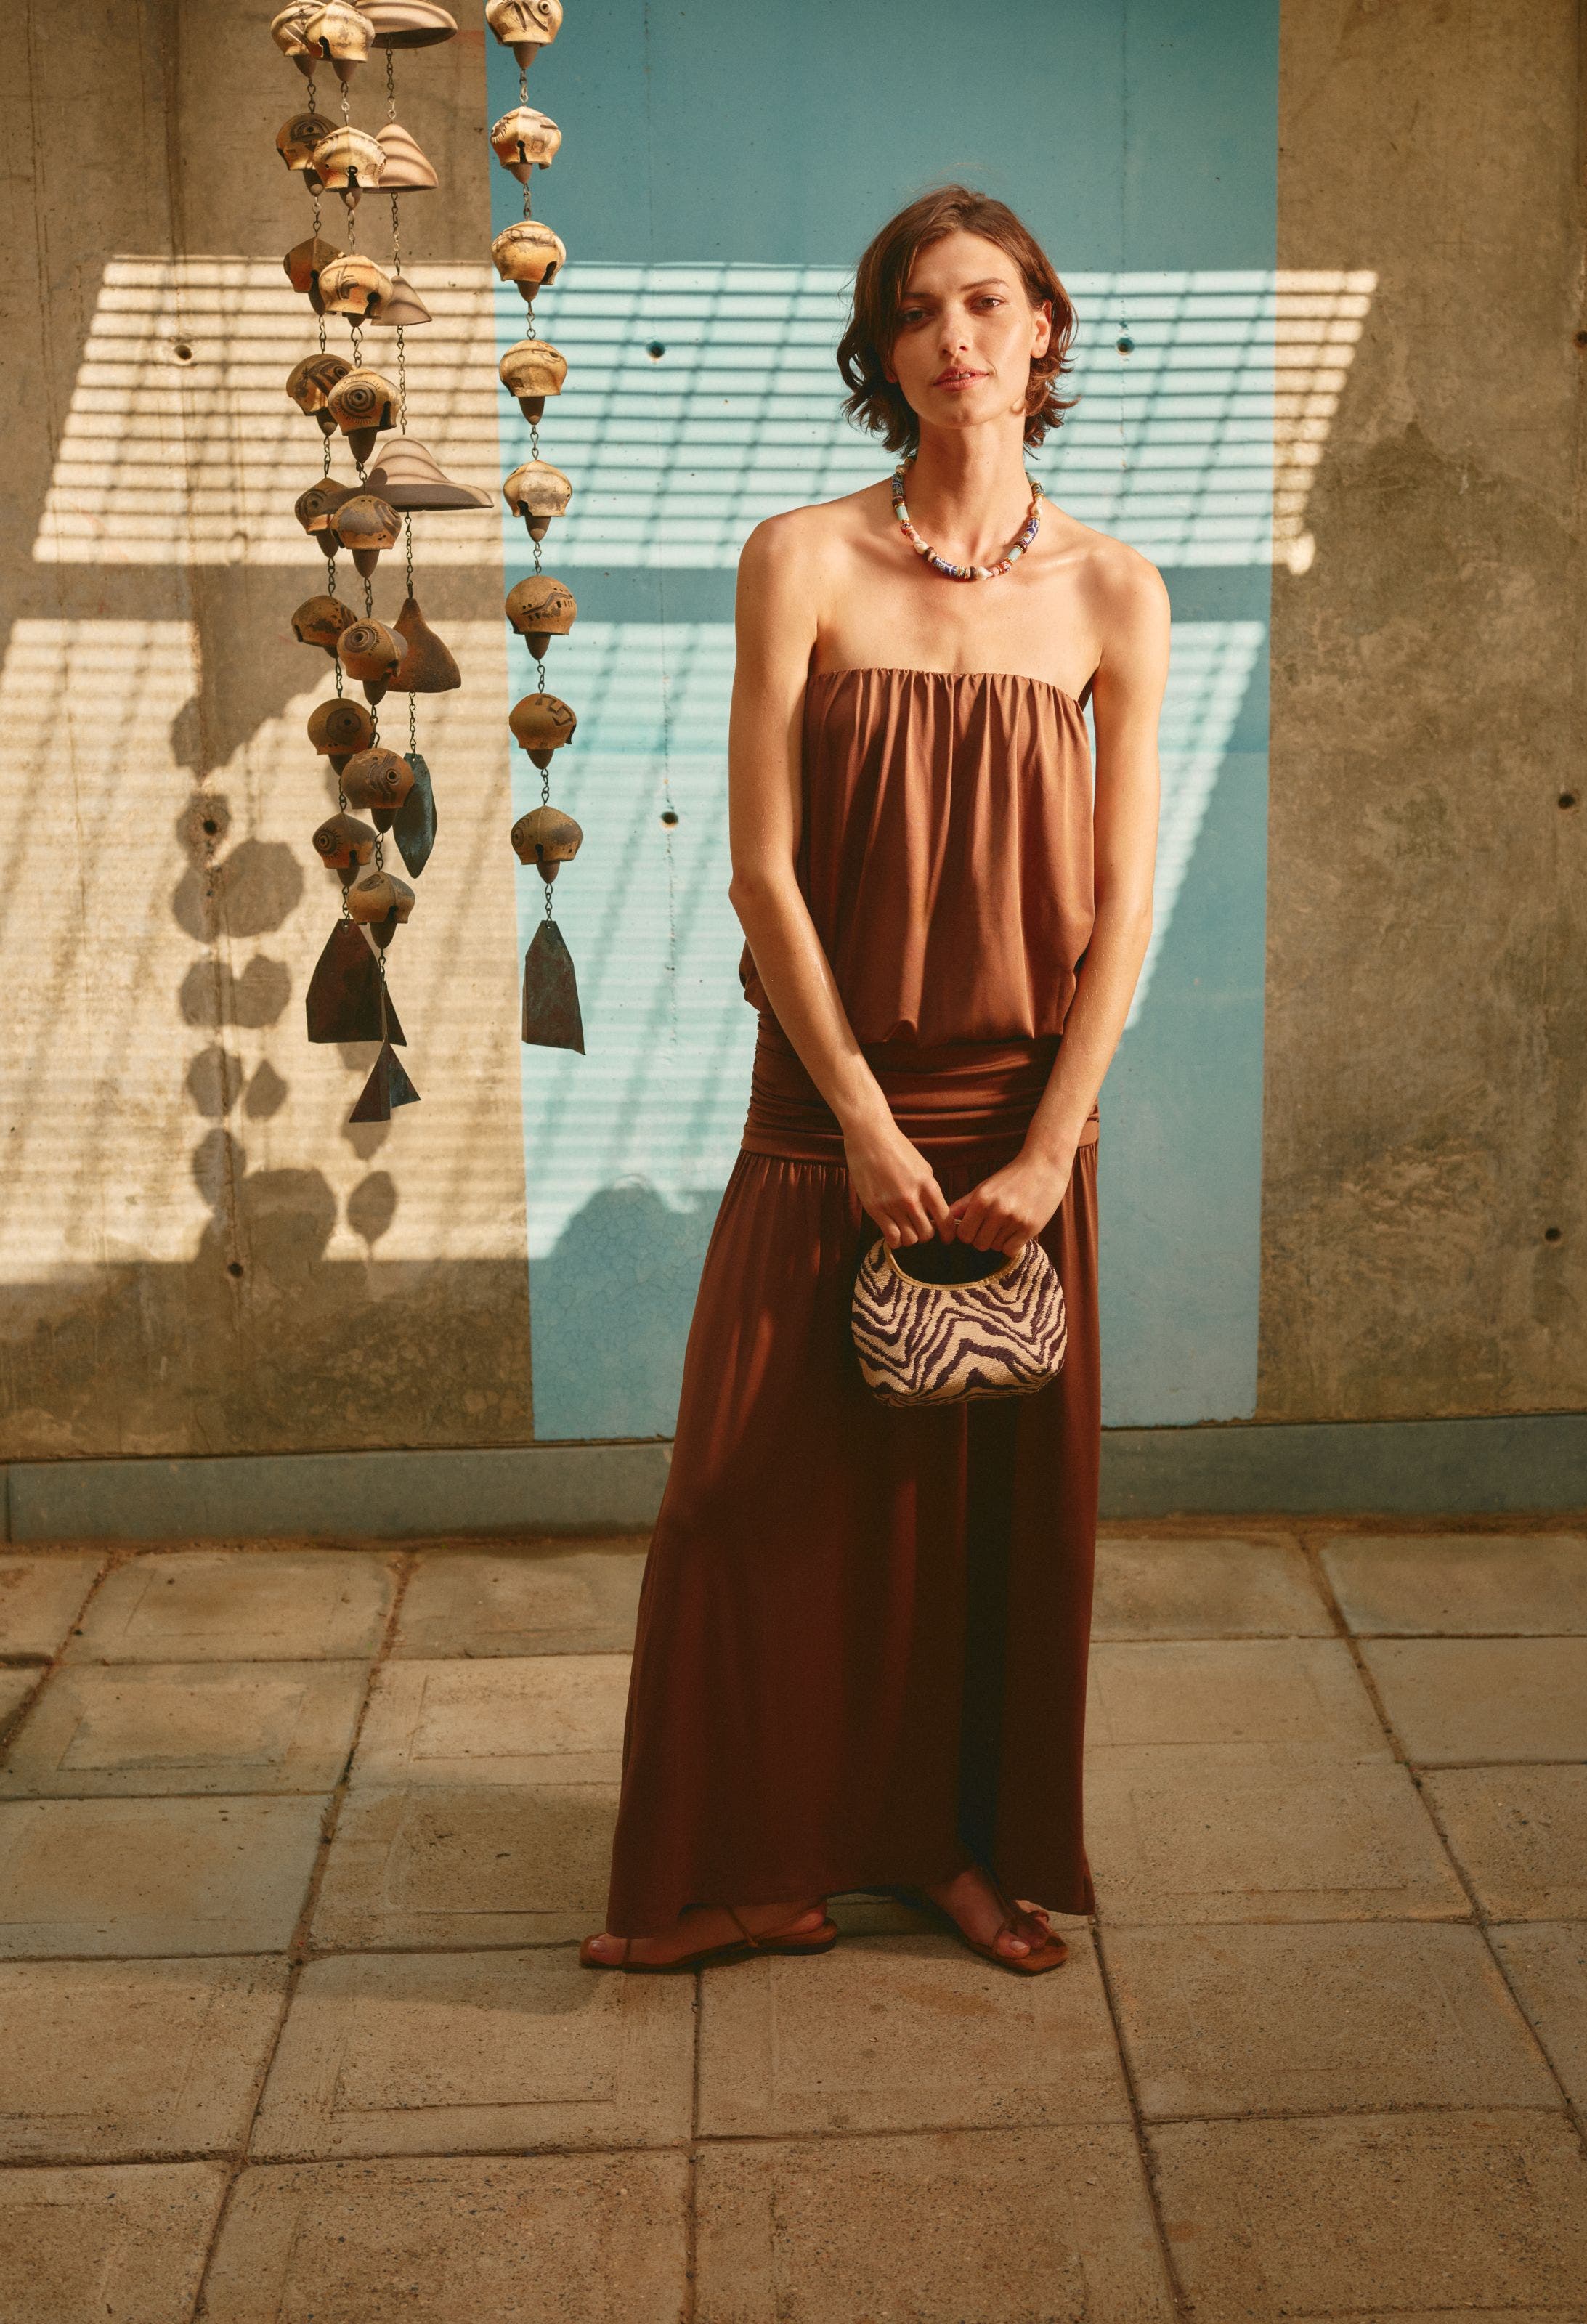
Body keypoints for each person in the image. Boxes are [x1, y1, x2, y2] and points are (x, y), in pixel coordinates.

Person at [583, 184, 1167, 1975]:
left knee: (979, 1521)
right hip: (826, 1097)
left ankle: (953, 1849)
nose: (953, 338)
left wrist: (1055, 1143)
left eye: (986, 302)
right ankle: (736, 1864)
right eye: (916, 311)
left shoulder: (1113, 593)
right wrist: (851, 1111)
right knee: (748, 1487)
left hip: (1021, 1114)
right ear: (883, 348)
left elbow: (1126, 900)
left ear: (1044, 330)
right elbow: (762, 870)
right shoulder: (802, 560)